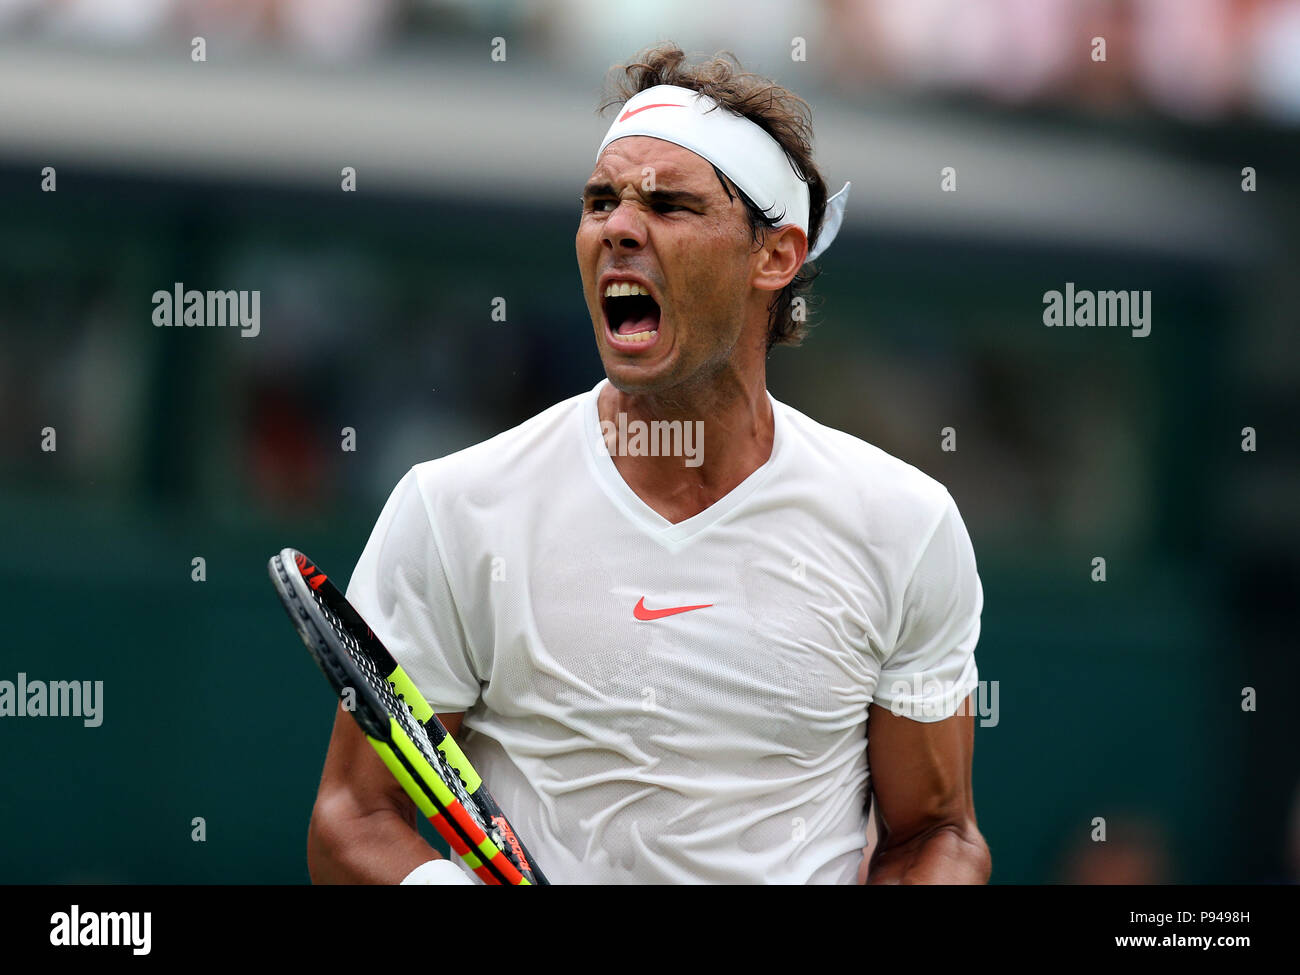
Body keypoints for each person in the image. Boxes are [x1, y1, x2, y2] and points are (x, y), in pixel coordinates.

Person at [307, 42, 991, 885]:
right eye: (601, 202)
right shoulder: (456, 509)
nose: (618, 228)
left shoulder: (906, 525)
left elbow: (936, 835)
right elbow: (353, 818)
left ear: (775, 255)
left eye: (668, 205)